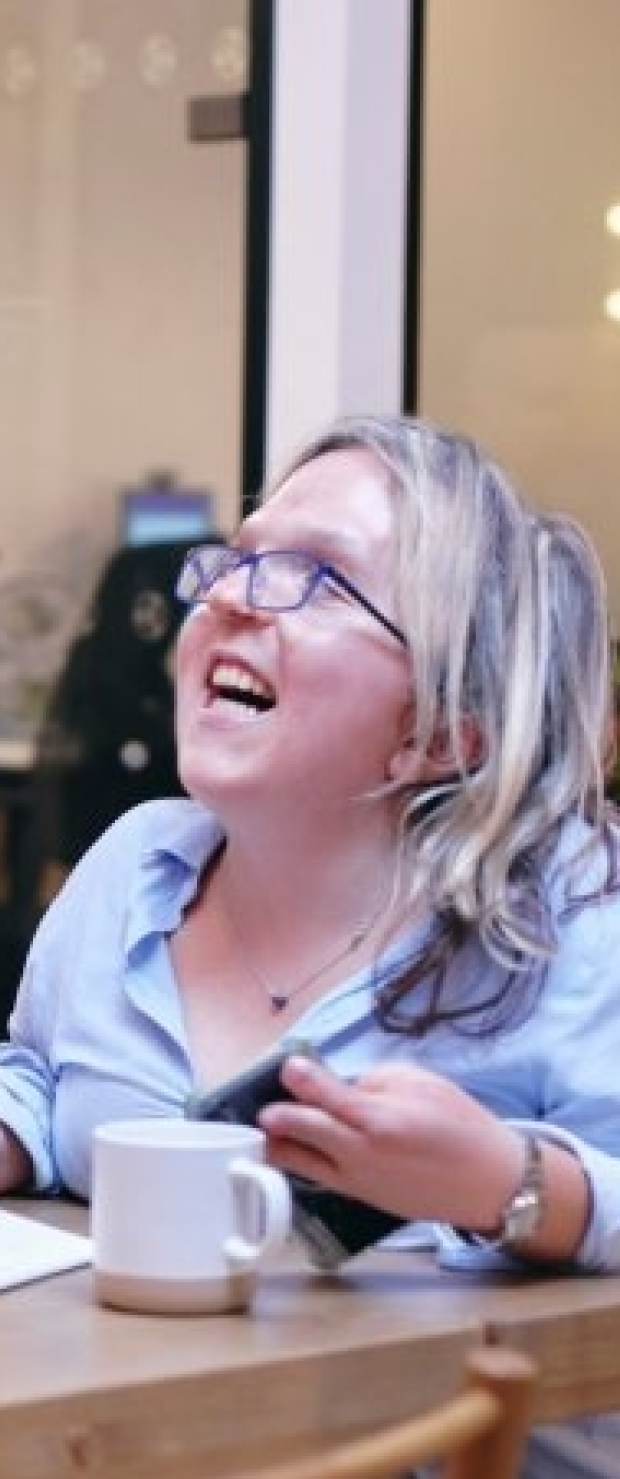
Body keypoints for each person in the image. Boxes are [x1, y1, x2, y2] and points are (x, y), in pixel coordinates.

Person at [0, 413, 618, 1477]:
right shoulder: (134, 867)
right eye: (236, 560)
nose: (229, 595)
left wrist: (499, 1181)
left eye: (318, 579)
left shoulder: (565, 911)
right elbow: (42, 1082)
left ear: (441, 727)